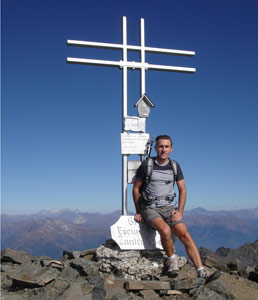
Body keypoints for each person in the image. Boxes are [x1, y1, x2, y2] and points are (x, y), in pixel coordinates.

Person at [133, 135, 219, 279]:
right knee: (165, 230)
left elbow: (183, 189)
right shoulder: (147, 165)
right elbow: (136, 188)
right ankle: (172, 260)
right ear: (155, 148)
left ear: (171, 149)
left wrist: (180, 211)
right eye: (160, 146)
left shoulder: (174, 166)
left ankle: (201, 270)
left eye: (166, 147)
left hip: (169, 208)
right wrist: (139, 212)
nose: (163, 149)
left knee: (185, 234)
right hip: (150, 208)